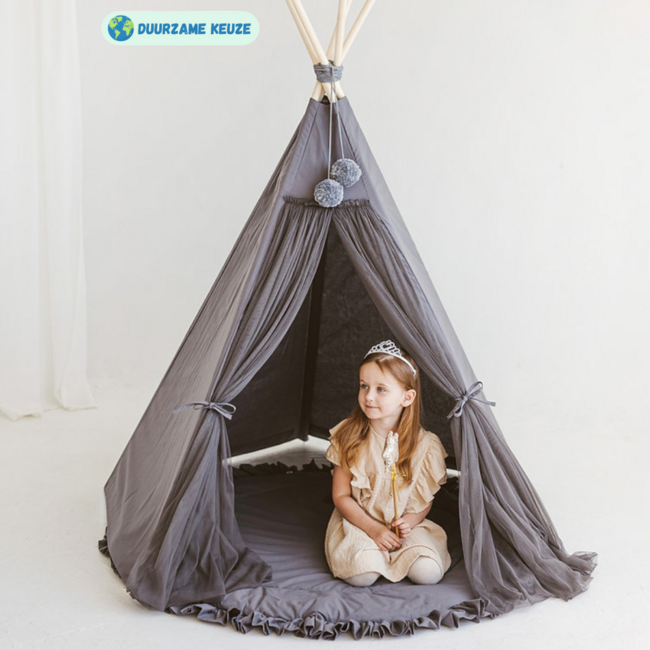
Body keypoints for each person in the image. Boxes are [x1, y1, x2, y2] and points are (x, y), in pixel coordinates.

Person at [324, 340, 452, 587]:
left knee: (428, 573)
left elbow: (424, 500)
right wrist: (374, 530)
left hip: (406, 527)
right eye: (364, 386)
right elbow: (341, 496)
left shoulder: (426, 446)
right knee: (362, 575)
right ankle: (373, 557)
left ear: (407, 397)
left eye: (381, 389)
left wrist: (409, 523)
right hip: (360, 523)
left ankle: (400, 554)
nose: (369, 396)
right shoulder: (349, 436)